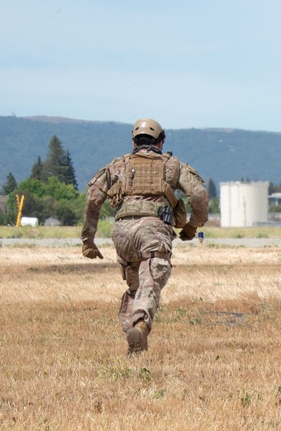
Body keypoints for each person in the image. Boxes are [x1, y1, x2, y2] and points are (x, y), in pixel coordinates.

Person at [81, 118, 208, 355]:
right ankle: (140, 326)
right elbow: (199, 194)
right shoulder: (172, 165)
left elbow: (92, 198)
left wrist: (88, 239)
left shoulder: (117, 166)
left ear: (133, 142)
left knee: (135, 288)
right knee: (150, 280)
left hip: (122, 233)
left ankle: (134, 346)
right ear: (160, 143)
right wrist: (191, 227)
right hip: (153, 231)